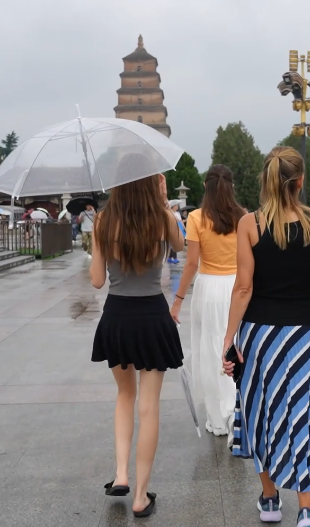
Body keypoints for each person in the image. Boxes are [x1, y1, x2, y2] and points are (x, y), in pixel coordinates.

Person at [221, 146, 310, 527]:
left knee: (263, 412)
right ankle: (306, 509)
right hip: (304, 337)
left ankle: (269, 498)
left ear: (266, 180)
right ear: (300, 181)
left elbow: (243, 288)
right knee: (303, 415)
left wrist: (228, 339)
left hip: (260, 337)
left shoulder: (250, 224)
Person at [89, 172, 185, 518]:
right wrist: (164, 203)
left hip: (117, 316)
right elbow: (180, 246)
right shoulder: (163, 217)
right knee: (149, 407)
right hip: (152, 315)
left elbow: (97, 280)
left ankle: (121, 474)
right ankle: (141, 496)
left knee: (124, 394)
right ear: (150, 183)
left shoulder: (103, 221)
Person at [170, 165, 246, 436]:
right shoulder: (243, 216)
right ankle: (236, 409)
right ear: (232, 186)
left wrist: (178, 299)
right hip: (237, 286)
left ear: (205, 186)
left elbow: (191, 263)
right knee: (235, 348)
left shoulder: (196, 218)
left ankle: (218, 417)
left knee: (212, 350)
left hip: (209, 287)